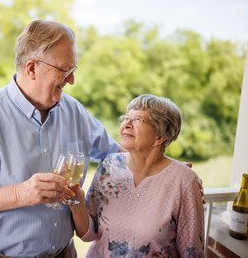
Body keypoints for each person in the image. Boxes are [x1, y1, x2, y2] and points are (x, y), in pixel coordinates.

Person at [0, 20, 120, 258]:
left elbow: (118, 158)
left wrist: (166, 167)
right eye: (65, 70)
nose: (72, 80)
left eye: (73, 69)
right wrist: (21, 194)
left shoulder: (75, 111)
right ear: (32, 68)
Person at [70, 94, 204, 257]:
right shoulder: (109, 166)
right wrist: (76, 201)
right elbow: (89, 233)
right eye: (126, 118)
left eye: (138, 120)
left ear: (160, 137)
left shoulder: (184, 180)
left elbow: (192, 252)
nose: (126, 124)